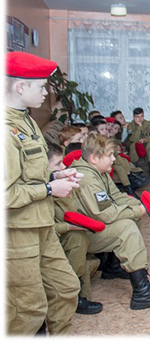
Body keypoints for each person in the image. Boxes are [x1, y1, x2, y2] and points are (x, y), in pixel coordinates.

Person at [5, 52, 81, 335]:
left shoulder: (25, 121)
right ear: (20, 87)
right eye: (41, 87)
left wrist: (54, 176)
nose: (46, 93)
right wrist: (50, 189)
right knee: (28, 309)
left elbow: (28, 174)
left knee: (66, 288)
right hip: (18, 231)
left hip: (41, 223)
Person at [69, 132, 150, 310]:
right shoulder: (87, 179)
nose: (113, 159)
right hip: (81, 233)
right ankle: (142, 293)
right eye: (110, 155)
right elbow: (106, 214)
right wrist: (137, 211)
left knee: (131, 216)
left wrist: (138, 204)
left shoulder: (98, 172)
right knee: (127, 227)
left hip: (92, 225)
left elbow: (116, 196)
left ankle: (113, 266)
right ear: (94, 158)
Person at [47, 141, 103, 315]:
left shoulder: (60, 184)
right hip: (47, 239)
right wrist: (68, 227)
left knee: (79, 237)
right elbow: (45, 229)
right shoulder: (40, 192)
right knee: (76, 238)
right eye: (57, 164)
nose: (63, 167)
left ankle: (77, 290)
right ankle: (73, 295)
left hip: (59, 234)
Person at [126, 107, 150, 174]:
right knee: (133, 145)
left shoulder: (147, 124)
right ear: (133, 117)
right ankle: (135, 171)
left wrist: (145, 140)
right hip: (135, 144)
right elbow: (132, 139)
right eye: (138, 117)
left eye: (142, 116)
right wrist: (139, 127)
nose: (140, 119)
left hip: (145, 143)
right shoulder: (130, 126)